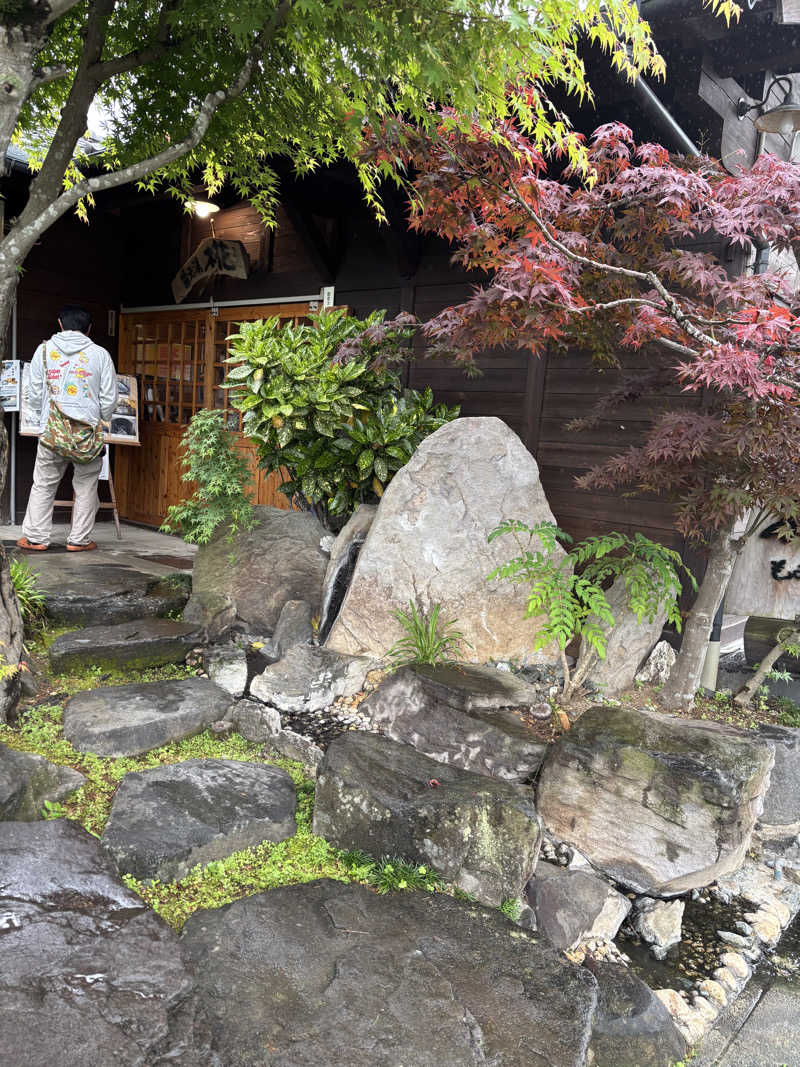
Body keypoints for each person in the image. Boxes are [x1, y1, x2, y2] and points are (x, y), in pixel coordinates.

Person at [17, 306, 118, 552]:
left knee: (44, 484)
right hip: (88, 434)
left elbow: (32, 393)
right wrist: (101, 417)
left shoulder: (44, 351)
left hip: (52, 432)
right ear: (89, 328)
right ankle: (79, 541)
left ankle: (36, 538)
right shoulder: (100, 355)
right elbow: (109, 398)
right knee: (86, 486)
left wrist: (39, 416)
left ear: (60, 324)